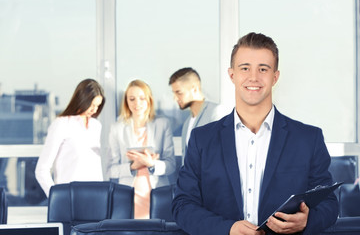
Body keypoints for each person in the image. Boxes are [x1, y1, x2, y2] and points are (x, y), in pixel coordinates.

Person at [172, 32, 338, 235]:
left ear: (275, 77)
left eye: (263, 69)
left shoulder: (308, 139)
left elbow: (329, 204)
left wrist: (306, 221)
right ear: (232, 75)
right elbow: (182, 205)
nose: (253, 77)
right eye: (245, 68)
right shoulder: (202, 140)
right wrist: (228, 229)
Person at [107, 79, 175, 219]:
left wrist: (151, 164)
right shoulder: (117, 129)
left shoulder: (162, 125)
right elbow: (110, 170)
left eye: (142, 98)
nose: (137, 103)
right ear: (126, 101)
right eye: (132, 99)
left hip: (157, 193)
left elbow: (171, 165)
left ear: (149, 100)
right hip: (128, 195)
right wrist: (133, 166)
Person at [35, 78, 105, 197]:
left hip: (96, 197)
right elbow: (41, 170)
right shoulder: (61, 124)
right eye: (91, 105)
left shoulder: (96, 126)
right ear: (81, 100)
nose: (94, 110)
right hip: (70, 198)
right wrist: (56, 198)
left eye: (98, 106)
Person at [169, 67, 225, 159]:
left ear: (194, 89)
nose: (175, 98)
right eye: (174, 93)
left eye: (179, 92)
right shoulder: (187, 123)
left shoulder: (215, 112)